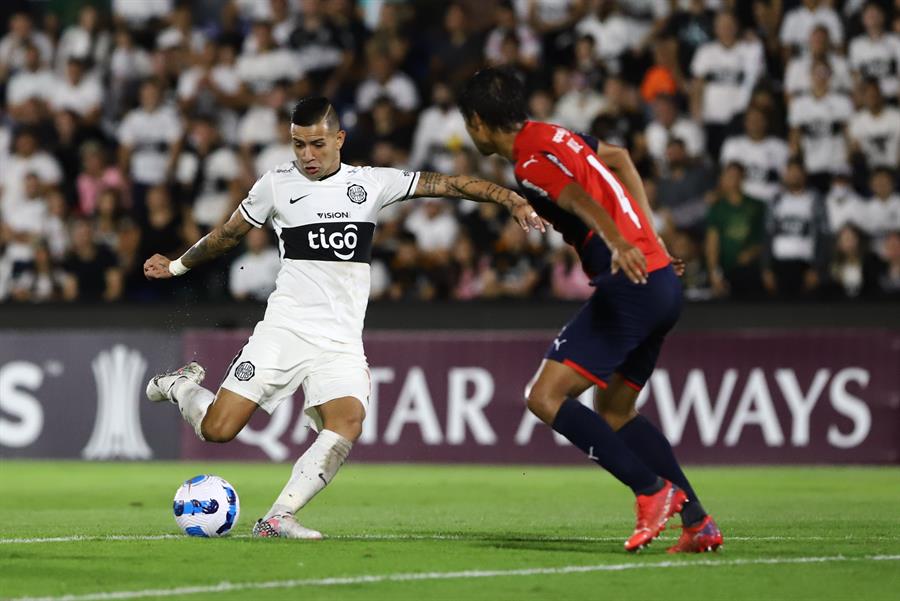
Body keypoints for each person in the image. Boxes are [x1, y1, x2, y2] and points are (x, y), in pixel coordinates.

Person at [142, 97, 541, 539]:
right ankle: (181, 385)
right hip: (286, 329)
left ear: (339, 139)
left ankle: (278, 517)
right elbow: (228, 235)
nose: (307, 155)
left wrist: (509, 198)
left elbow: (446, 184)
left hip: (340, 341)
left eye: (317, 144)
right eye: (298, 145)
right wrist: (176, 266)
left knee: (347, 421)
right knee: (218, 429)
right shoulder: (276, 184)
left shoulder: (370, 183)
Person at [457, 67, 722, 554]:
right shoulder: (555, 134)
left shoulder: (529, 163)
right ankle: (698, 521)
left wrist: (620, 242)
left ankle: (652, 492)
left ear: (477, 121)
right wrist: (650, 237)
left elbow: (577, 198)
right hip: (659, 281)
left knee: (545, 397)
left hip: (630, 285)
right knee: (616, 410)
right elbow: (620, 158)